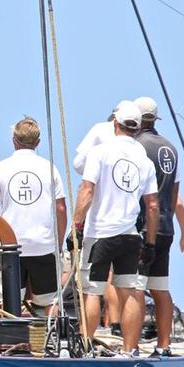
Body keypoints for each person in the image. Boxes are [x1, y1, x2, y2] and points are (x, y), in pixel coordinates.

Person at [72, 102, 159, 356]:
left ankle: (86, 347)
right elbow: (152, 206)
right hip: (130, 235)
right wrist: (150, 243)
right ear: (138, 128)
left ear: (115, 123)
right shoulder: (144, 160)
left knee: (92, 291)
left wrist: (77, 225)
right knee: (129, 291)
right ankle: (130, 349)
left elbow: (87, 191)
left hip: (99, 233)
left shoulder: (100, 153)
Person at [133, 96, 184, 358]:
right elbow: (175, 196)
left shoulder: (136, 147)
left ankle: (130, 346)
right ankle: (163, 345)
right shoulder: (171, 149)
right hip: (167, 227)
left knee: (133, 287)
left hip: (145, 226)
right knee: (160, 287)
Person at [70, 100, 133, 330]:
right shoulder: (137, 149)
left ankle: (89, 337)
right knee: (122, 281)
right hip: (128, 222)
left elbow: (78, 165)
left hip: (99, 217)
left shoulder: (99, 134)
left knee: (94, 285)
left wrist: (75, 225)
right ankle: (116, 325)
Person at [0, 118, 67, 316]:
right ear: (38, 142)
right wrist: (58, 245)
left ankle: (15, 342)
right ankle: (52, 342)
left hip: (11, 245)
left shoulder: (0, 168)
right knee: (50, 301)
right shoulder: (49, 168)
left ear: (14, 140)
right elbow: (61, 209)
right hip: (43, 245)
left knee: (11, 302)